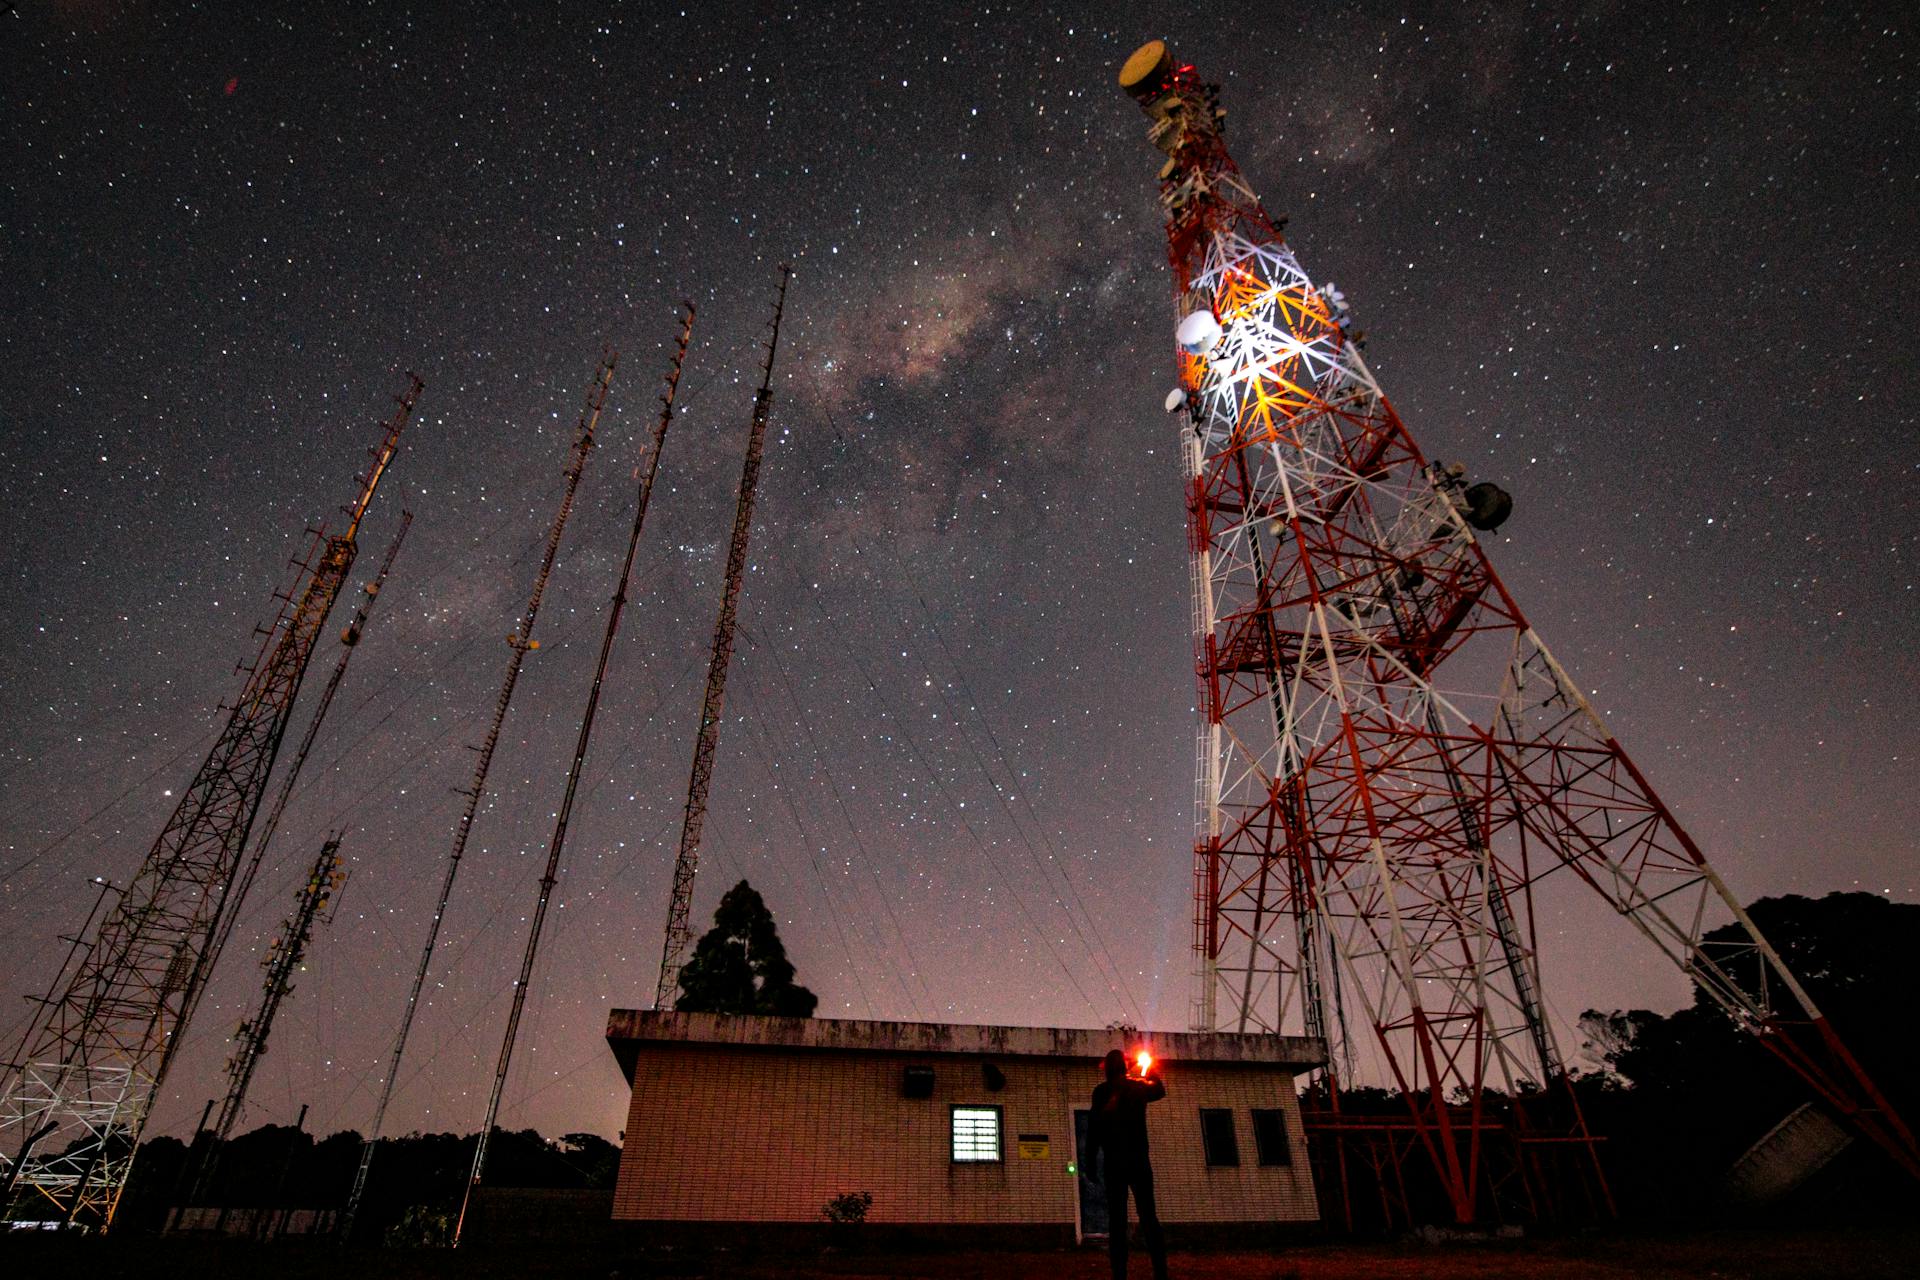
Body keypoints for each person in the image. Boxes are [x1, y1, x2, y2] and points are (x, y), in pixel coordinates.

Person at [1084, 1047, 1169, 1280]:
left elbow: (1093, 1130)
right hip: (1139, 1161)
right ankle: (1161, 1272)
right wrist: (1149, 1071)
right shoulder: (1137, 1087)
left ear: (1107, 1069)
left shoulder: (1100, 1092)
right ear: (1124, 1066)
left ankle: (1119, 1274)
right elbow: (1160, 1090)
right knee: (1149, 1217)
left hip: (1114, 1164)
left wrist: (1090, 1162)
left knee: (1117, 1221)